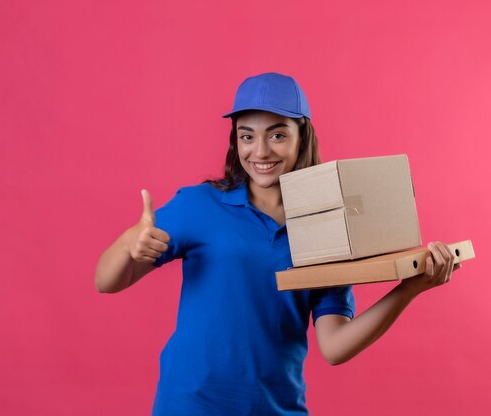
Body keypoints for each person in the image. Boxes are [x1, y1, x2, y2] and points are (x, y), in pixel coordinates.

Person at [94, 72, 460, 416]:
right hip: (189, 404)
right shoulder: (199, 205)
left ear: (303, 138)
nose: (261, 151)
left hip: (275, 407)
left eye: (278, 134)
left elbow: (334, 347)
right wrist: (128, 243)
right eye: (247, 135)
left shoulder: (329, 230)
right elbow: (107, 282)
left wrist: (409, 289)